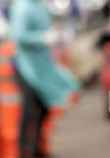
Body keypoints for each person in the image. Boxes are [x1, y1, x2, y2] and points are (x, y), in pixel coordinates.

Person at [10, 0, 80, 157]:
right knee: (29, 113)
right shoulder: (23, 6)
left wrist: (54, 35)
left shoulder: (39, 5)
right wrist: (43, 38)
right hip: (26, 67)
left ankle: (37, 149)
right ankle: (25, 152)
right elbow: (18, 36)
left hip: (43, 66)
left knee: (43, 109)